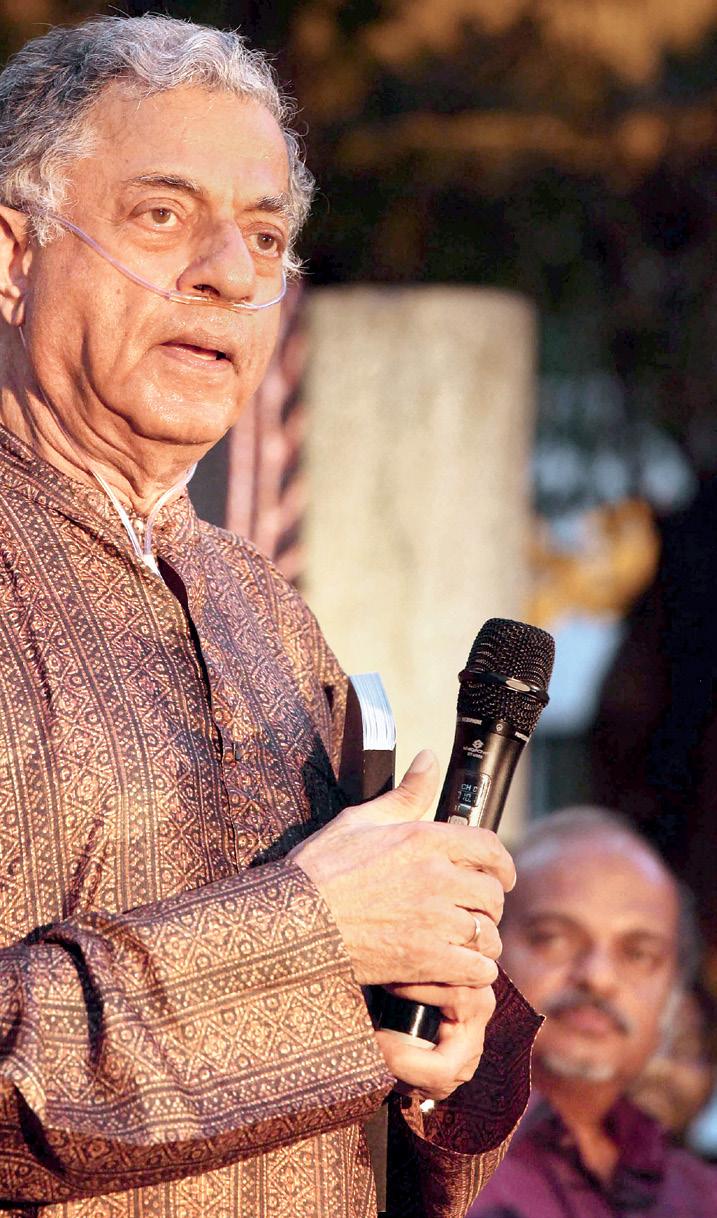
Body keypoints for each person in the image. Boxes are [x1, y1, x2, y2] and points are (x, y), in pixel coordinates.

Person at [0, 15, 541, 1218]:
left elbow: (359, 1060)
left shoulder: (267, 612)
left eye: (263, 237)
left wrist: (437, 1038)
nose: (229, 276)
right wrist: (309, 937)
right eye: (162, 215)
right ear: (14, 255)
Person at [467, 806, 717, 1218]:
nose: (598, 978)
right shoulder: (418, 1165)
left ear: (674, 992)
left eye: (638, 954)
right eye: (553, 939)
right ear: (483, 945)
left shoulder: (698, 1196)